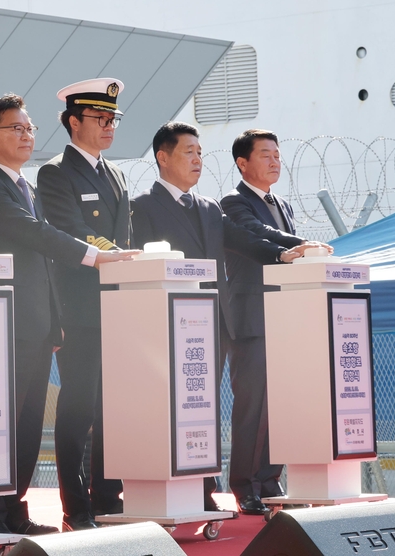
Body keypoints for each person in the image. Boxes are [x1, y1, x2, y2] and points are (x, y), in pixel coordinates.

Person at [0, 94, 137, 536]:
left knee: (26, 421)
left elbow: (44, 265)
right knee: (6, 420)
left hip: (39, 322)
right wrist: (94, 257)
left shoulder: (24, 185)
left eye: (29, 129)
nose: (26, 136)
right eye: (15, 129)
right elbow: (36, 235)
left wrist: (56, 317)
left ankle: (11, 506)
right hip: (4, 322)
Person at [130, 122, 318, 513]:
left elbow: (243, 238)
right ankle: (174, 488)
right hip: (165, 324)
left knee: (202, 410)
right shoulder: (142, 206)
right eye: (188, 152)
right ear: (163, 157)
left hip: (212, 323)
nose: (198, 159)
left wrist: (283, 254)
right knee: (172, 410)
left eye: (200, 152)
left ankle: (201, 490)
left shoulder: (208, 207)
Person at [35, 78, 131, 531]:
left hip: (115, 306)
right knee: (79, 409)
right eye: (100, 118)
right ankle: (76, 507)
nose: (109, 126)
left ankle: (108, 498)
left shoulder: (114, 172)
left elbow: (123, 238)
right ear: (74, 122)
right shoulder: (55, 172)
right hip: (78, 307)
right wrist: (117, 256)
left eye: (113, 118)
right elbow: (72, 236)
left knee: (114, 406)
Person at [220, 130, 329, 514]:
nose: (274, 161)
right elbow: (257, 235)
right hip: (251, 319)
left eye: (277, 155)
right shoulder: (233, 202)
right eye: (265, 154)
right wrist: (302, 244)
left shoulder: (281, 203)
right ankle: (244, 485)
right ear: (242, 163)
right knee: (253, 405)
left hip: (286, 319)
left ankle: (269, 480)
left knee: (280, 405)